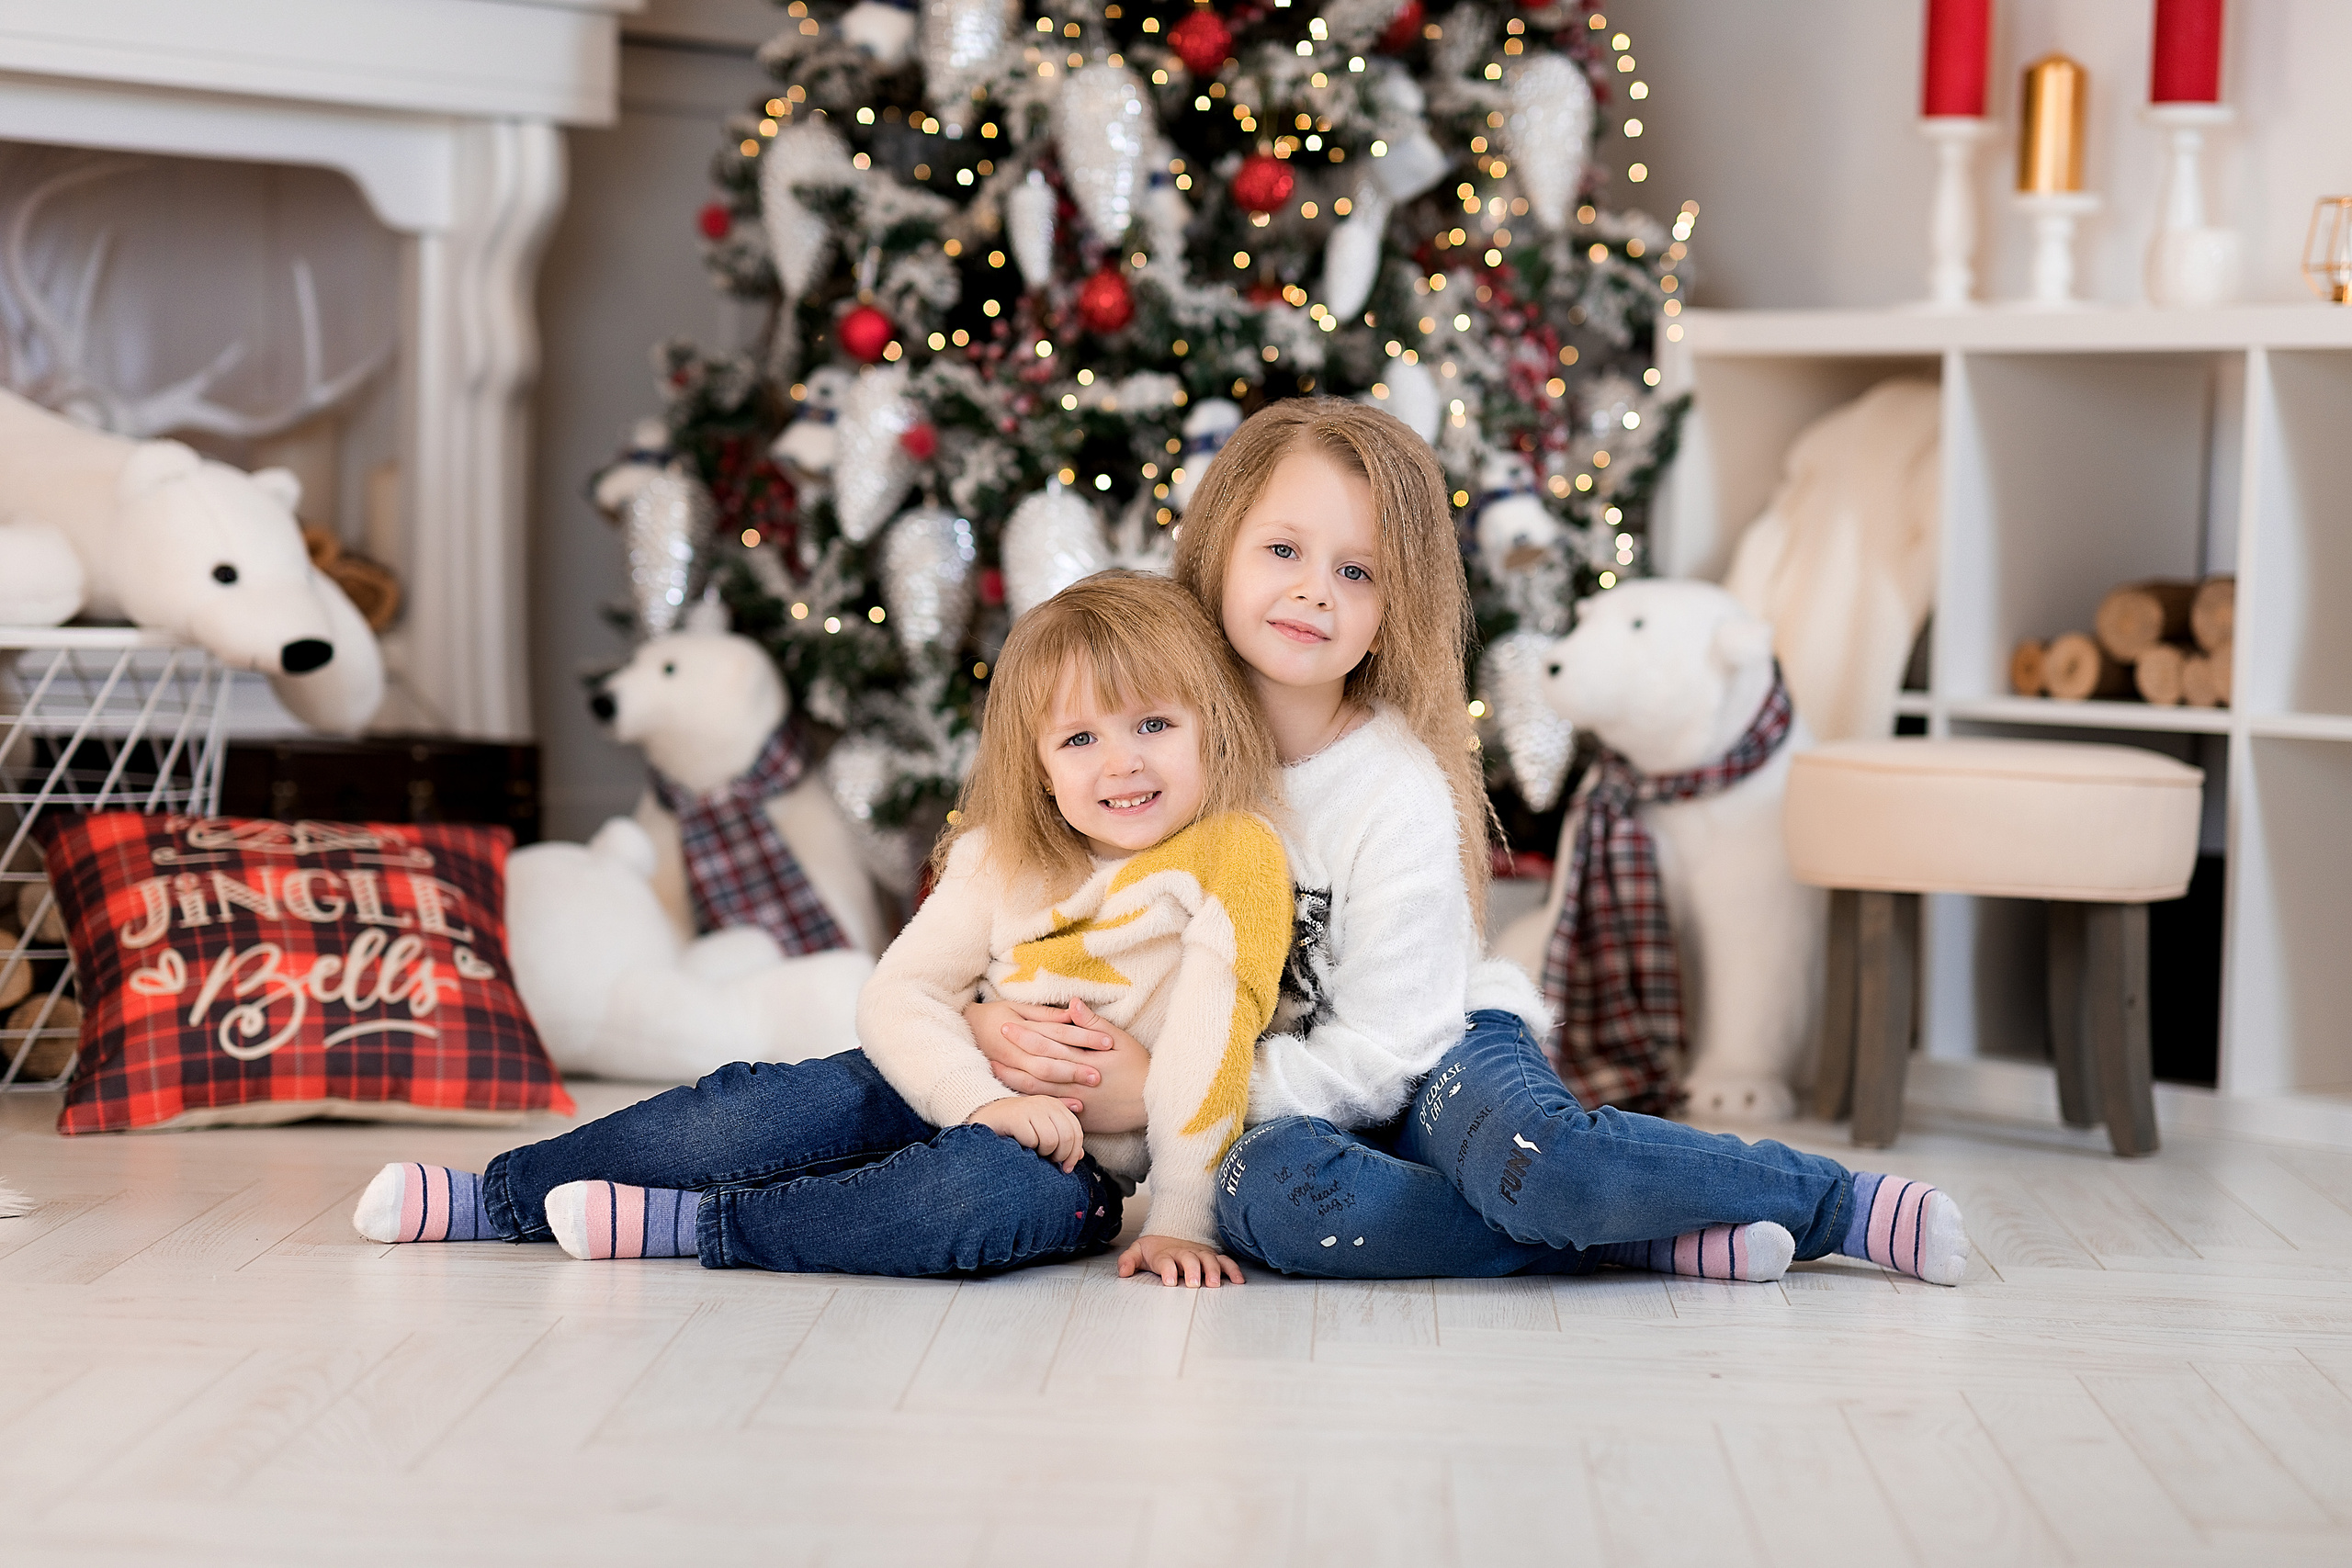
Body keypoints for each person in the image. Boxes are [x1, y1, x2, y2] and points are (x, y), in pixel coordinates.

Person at [970, 399, 1973, 1287]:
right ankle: (1636, 1241)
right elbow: (1035, 906)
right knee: (1268, 1208)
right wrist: (988, 1026)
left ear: (1392, 607)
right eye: (1282, 551)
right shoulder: (1148, 751)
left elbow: (1386, 1050)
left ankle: (1831, 1202)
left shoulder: (1392, 787)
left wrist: (1167, 1092)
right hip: (1280, 1115)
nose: (1314, 591)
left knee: (1540, 1161)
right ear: (1217, 548)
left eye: (1355, 570)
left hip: (1431, 1047)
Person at [353, 570, 1292, 1287]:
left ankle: (688, 1228)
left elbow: (1218, 1033)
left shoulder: (1235, 855)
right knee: (746, 1111)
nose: (1119, 765)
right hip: (950, 1076)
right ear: (1039, 764)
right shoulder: (1004, 851)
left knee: (961, 1205)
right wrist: (974, 1094)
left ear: (1210, 725)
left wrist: (1180, 1214)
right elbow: (900, 991)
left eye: (1154, 725)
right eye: (1080, 739)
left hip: (1073, 1157)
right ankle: (497, 1196)